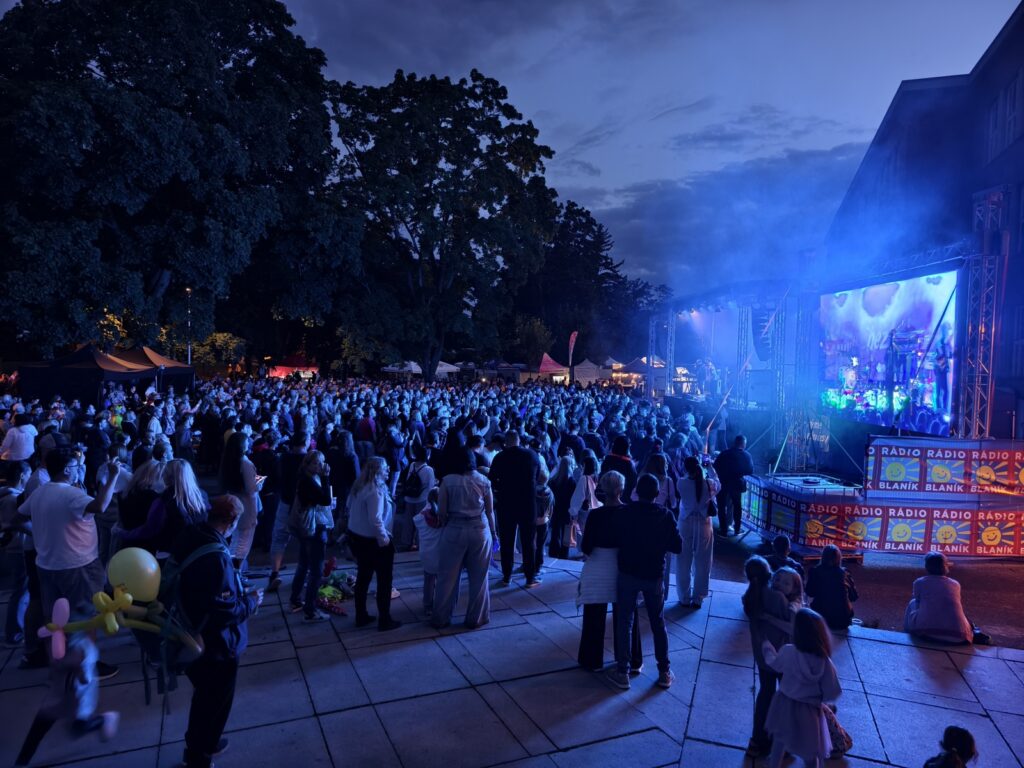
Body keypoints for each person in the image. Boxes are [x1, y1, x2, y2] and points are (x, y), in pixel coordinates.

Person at [171, 495, 262, 768]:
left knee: (205, 697)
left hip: (191, 632)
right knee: (213, 702)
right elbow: (223, 611)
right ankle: (199, 756)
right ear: (231, 522)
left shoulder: (192, 535)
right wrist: (252, 601)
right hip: (216, 645)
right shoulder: (215, 556)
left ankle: (205, 744)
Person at [606, 474, 682, 691]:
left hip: (628, 573)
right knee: (658, 623)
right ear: (657, 493)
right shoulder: (665, 515)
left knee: (625, 622)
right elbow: (677, 546)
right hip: (654, 575)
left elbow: (614, 538)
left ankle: (623, 671)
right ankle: (664, 671)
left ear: (637, 491)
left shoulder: (625, 513)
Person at [577, 471, 641, 673]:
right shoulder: (630, 513)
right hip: (623, 569)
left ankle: (591, 660)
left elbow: (586, 547)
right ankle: (631, 659)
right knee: (627, 618)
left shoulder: (595, 515)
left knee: (593, 618)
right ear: (622, 489)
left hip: (598, 570)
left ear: (603, 489)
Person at [761, 608, 842, 768]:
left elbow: (774, 663)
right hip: (809, 712)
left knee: (779, 741)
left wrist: (767, 648)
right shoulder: (825, 663)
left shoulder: (788, 651)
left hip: (784, 705)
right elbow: (833, 691)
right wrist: (822, 700)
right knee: (810, 751)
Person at [431, 448, 497, 629]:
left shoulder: (447, 481)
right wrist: (494, 533)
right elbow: (490, 511)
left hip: (454, 529)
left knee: (447, 577)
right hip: (480, 529)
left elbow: (442, 513)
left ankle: (441, 618)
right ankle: (476, 618)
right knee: (479, 578)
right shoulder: (484, 481)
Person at [742, 555, 794, 758]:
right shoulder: (777, 598)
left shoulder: (749, 597)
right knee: (786, 696)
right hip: (781, 655)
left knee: (765, 693)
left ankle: (757, 740)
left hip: (763, 655)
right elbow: (790, 626)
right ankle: (781, 742)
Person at [347, 456, 401, 631]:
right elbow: (375, 519)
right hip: (374, 542)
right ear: (377, 471)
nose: (388, 470)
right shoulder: (374, 491)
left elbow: (349, 507)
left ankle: (361, 615)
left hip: (358, 538)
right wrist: (384, 539)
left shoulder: (359, 486)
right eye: (385, 468)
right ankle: (385, 619)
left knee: (363, 578)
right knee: (384, 581)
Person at [119, 459, 207, 555]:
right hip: (197, 549)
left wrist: (124, 534)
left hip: (171, 553)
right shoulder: (202, 496)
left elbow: (149, 529)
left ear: (167, 478)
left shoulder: (163, 501)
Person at [489, 431, 542, 587]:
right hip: (527, 503)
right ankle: (530, 577)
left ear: (506, 442)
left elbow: (492, 479)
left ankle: (506, 576)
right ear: (518, 440)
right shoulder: (532, 455)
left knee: (507, 540)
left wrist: (501, 489)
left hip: (506, 503)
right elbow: (537, 476)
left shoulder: (500, 457)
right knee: (528, 541)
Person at [289, 450, 334, 621]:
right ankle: (310, 609)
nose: (320, 466)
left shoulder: (307, 478)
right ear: (307, 464)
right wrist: (326, 477)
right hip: (314, 528)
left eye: (322, 462)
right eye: (316, 463)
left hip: (307, 527)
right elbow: (325, 500)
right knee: (316, 570)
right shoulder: (308, 481)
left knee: (303, 563)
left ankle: (295, 599)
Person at [904, 552, 987, 645]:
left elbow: (918, 602)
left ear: (927, 566)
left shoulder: (919, 582)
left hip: (926, 632)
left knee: (913, 603)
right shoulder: (955, 584)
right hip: (959, 636)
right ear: (945, 567)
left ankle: (907, 632)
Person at [675, 455, 721, 608]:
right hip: (703, 524)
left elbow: (686, 480)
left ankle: (684, 597)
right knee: (703, 562)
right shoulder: (710, 484)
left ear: (686, 468)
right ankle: (698, 598)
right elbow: (719, 483)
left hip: (685, 523)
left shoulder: (681, 483)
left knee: (683, 561)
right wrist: (710, 467)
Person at [268, 431, 309, 592]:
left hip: (285, 502)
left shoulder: (283, 458)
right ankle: (302, 575)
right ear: (306, 442)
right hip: (304, 505)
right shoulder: (310, 460)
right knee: (306, 540)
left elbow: (275, 479)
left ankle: (274, 573)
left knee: (279, 538)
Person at [220, 432, 262, 571]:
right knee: (244, 542)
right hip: (247, 507)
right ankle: (237, 572)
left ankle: (231, 572)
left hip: (234, 504)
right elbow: (251, 489)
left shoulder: (228, 461)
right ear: (242, 445)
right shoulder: (245, 463)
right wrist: (259, 482)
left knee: (235, 540)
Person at [805, 545, 858, 630]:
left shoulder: (815, 571)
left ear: (823, 557)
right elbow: (854, 597)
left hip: (821, 617)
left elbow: (810, 592)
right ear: (839, 558)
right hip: (842, 620)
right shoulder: (845, 573)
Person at [413, 487, 446, 616]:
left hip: (426, 553)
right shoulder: (445, 517)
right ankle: (441, 604)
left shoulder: (419, 518)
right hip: (442, 553)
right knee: (442, 580)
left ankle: (427, 606)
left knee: (428, 580)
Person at [713, 434, 753, 536]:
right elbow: (750, 470)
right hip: (736, 484)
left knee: (721, 506)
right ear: (743, 444)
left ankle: (723, 530)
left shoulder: (724, 453)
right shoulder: (746, 455)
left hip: (722, 483)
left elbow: (715, 466)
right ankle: (737, 529)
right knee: (737, 507)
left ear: (735, 443)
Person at [397, 442, 434, 551]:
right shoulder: (429, 469)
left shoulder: (412, 465)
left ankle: (406, 542)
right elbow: (430, 487)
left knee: (408, 521)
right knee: (421, 522)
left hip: (409, 498)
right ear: (427, 456)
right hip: (422, 499)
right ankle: (419, 543)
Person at [546, 454, 577, 559]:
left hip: (555, 509)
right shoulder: (571, 481)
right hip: (566, 510)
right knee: (566, 532)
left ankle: (553, 552)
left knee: (555, 531)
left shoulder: (553, 480)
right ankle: (564, 553)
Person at [600, 436, 637, 501]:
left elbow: (602, 476)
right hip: (622, 498)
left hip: (606, 496)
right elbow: (633, 483)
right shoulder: (629, 464)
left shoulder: (607, 459)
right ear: (627, 448)